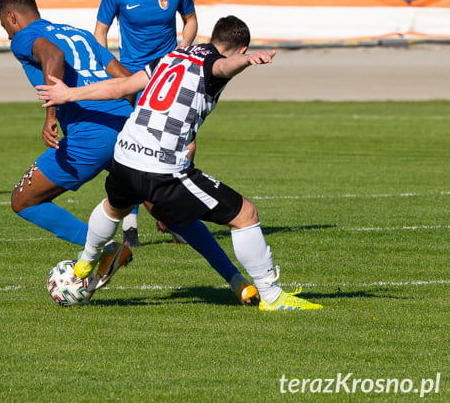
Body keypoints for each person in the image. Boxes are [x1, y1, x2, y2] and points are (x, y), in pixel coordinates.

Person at [37, 15, 322, 311]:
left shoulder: (173, 55)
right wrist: (247, 61)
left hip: (124, 153)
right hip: (160, 167)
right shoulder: (216, 63)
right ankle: (273, 298)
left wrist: (69, 94)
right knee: (245, 214)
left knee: (114, 207)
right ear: (241, 47)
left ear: (212, 37)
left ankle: (85, 263)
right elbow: (222, 66)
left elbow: (121, 87)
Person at [0, 0, 258, 304]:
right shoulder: (78, 32)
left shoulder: (23, 36)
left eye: (4, 25)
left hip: (90, 134)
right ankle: (237, 281)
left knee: (23, 201)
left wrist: (51, 114)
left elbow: (53, 56)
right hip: (129, 129)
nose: (7, 31)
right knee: (167, 211)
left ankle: (108, 250)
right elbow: (123, 76)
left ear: (11, 17)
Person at [95, 0, 199, 248]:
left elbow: (191, 20)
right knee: (134, 148)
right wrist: (115, 74)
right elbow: (99, 34)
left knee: (181, 146)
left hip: (169, 79)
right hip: (134, 81)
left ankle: (170, 217)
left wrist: (184, 47)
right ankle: (130, 224)